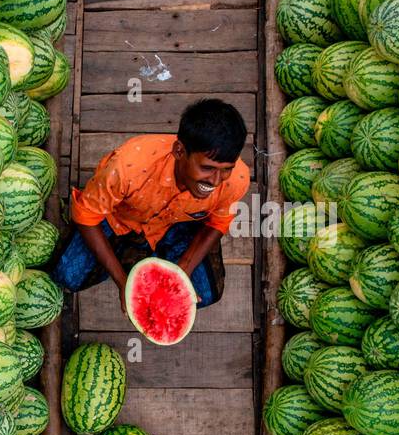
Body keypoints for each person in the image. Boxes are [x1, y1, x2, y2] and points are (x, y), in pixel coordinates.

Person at [52, 98, 251, 311]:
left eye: (226, 169)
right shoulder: (127, 167)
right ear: (179, 151)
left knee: (205, 294)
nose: (216, 180)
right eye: (207, 168)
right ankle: (133, 262)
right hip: (121, 219)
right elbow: (86, 216)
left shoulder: (237, 179)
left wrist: (183, 268)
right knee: (67, 276)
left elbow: (218, 222)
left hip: (179, 224)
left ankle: (146, 261)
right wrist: (122, 282)